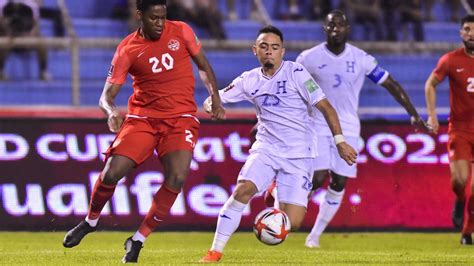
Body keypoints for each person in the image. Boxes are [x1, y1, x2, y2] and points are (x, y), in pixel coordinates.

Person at [62, 0, 225, 263]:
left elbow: (204, 66)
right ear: (140, 15)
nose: (160, 24)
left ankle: (138, 239)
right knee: (111, 172)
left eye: (163, 17)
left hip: (180, 118)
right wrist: (111, 111)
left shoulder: (182, 30)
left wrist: (214, 97)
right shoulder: (128, 48)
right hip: (143, 120)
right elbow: (106, 96)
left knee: (177, 177)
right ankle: (91, 221)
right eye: (153, 18)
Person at [265, 10, 430, 248]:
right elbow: (287, 86)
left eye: (340, 25)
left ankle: (314, 236)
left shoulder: (361, 58)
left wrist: (413, 112)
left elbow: (389, 83)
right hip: (318, 123)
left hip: (350, 126)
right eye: (331, 26)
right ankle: (279, 209)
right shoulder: (308, 58)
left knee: (340, 181)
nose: (335, 29)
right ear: (325, 28)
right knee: (319, 176)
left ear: (347, 29)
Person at [199, 25, 358, 263]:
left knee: (292, 224)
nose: (269, 52)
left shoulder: (297, 73)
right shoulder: (249, 79)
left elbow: (326, 107)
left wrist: (340, 141)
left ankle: (274, 189)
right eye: (264, 47)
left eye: (274, 47)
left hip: (299, 155)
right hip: (266, 149)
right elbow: (214, 99)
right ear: (255, 51)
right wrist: (213, 105)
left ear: (282, 51)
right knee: (242, 191)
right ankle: (215, 252)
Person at [425, 14, 474, 245]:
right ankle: (458, 199)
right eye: (467, 29)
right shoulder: (451, 60)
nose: (471, 33)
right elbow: (431, 84)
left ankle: (467, 231)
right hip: (460, 130)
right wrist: (433, 115)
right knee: (460, 181)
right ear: (461, 33)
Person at [0, 0, 51, 80]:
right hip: (9, 37)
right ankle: (1, 71)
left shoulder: (31, 6)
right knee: (3, 41)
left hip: (27, 36)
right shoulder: (3, 5)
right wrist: (9, 33)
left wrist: (30, 35)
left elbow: (36, 25)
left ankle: (43, 71)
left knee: (41, 41)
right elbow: (1, 22)